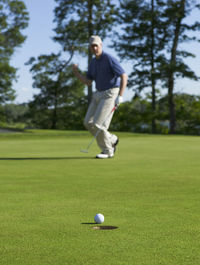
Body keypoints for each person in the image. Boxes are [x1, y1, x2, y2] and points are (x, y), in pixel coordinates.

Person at [73, 35, 127, 159]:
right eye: (92, 46)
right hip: (98, 93)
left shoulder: (109, 59)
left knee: (99, 124)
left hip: (110, 93)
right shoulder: (92, 63)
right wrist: (76, 73)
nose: (95, 48)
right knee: (88, 122)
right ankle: (112, 139)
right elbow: (88, 82)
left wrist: (121, 96)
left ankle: (108, 150)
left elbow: (124, 76)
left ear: (101, 45)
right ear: (90, 48)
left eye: (96, 45)